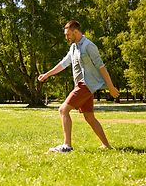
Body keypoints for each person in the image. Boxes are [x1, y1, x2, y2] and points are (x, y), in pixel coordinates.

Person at [38, 20, 119, 153]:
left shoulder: (88, 46)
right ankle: (106, 145)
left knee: (63, 110)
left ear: (76, 31)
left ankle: (67, 146)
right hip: (82, 85)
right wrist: (47, 74)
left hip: (85, 85)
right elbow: (64, 63)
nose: (66, 37)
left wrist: (110, 86)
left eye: (68, 34)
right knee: (89, 117)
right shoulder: (74, 47)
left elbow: (101, 66)